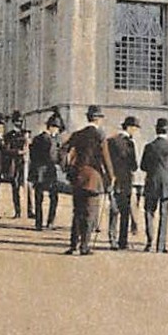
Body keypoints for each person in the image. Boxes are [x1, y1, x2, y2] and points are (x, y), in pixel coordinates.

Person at [64, 105, 114, 256]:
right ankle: (84, 246)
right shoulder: (100, 135)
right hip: (93, 178)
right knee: (90, 213)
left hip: (78, 177)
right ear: (98, 119)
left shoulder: (77, 134)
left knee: (77, 212)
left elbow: (64, 150)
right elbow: (106, 159)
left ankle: (73, 245)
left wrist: (68, 169)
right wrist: (111, 177)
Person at [140, 117, 168, 253]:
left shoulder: (149, 146)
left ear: (156, 129)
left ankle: (149, 242)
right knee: (164, 215)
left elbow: (143, 166)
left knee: (149, 212)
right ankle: (160, 245)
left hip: (151, 182)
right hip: (166, 184)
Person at [106, 115, 140, 250]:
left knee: (113, 211)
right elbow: (134, 166)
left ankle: (112, 239)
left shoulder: (111, 140)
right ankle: (122, 241)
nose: (136, 131)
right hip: (125, 181)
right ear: (130, 128)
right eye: (135, 128)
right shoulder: (130, 143)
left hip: (112, 180)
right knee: (124, 212)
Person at [29, 117, 61, 230]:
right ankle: (50, 222)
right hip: (48, 171)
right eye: (57, 129)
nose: (57, 132)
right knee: (54, 197)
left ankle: (38, 223)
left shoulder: (37, 138)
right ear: (52, 127)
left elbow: (32, 154)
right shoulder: (50, 140)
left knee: (39, 198)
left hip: (38, 172)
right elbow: (52, 157)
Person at [3, 110, 32, 219]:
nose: (19, 124)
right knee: (15, 187)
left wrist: (29, 142)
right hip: (14, 163)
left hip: (25, 163)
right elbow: (6, 150)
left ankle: (30, 210)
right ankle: (18, 211)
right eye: (17, 122)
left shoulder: (26, 133)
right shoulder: (9, 136)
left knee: (28, 187)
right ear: (13, 122)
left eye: (20, 121)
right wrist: (18, 152)